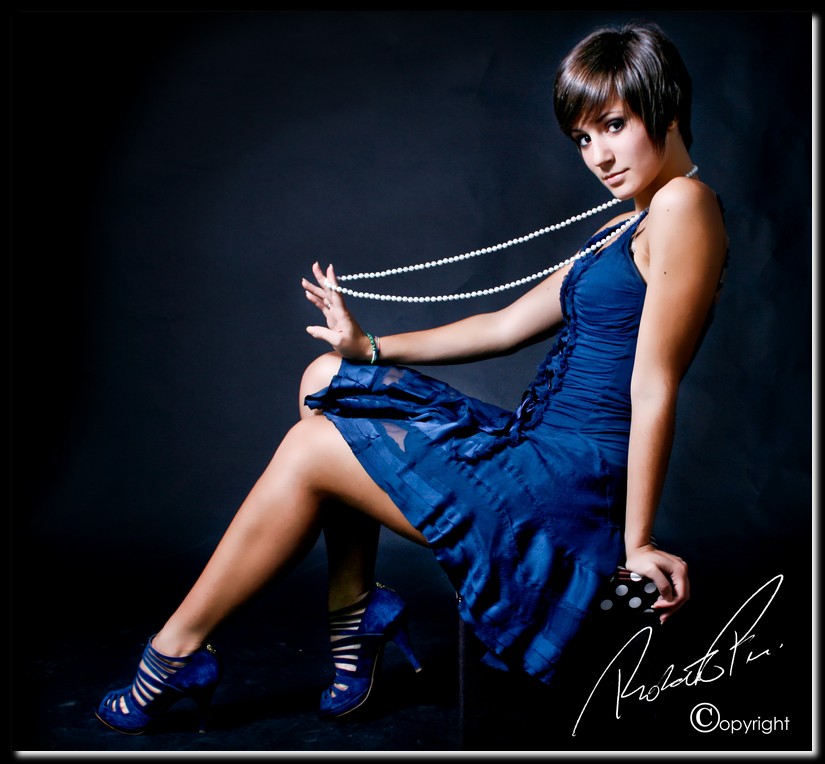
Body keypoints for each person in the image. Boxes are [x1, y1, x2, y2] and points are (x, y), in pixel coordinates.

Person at [95, 20, 728, 735]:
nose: (598, 156)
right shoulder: (627, 224)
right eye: (582, 138)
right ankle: (354, 610)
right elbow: (504, 325)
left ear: (666, 107)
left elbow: (653, 383)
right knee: (327, 375)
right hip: (532, 446)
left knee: (311, 448)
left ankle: (177, 651)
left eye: (613, 125)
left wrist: (637, 543)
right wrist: (367, 345)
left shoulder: (683, 205)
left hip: (570, 486)